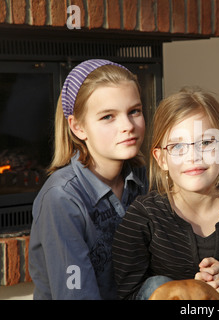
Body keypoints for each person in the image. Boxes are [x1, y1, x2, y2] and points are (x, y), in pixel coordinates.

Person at [112, 87, 219, 300]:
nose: (193, 156)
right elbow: (128, 293)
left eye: (206, 143)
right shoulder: (143, 216)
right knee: (156, 285)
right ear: (162, 159)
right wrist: (191, 291)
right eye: (178, 145)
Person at [28, 59, 149, 299]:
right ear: (78, 127)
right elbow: (76, 294)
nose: (128, 126)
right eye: (108, 117)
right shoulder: (61, 198)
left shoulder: (144, 181)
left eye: (134, 111)